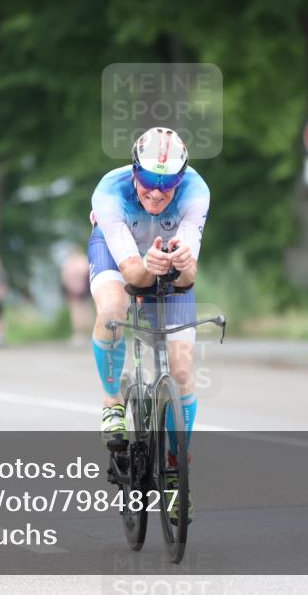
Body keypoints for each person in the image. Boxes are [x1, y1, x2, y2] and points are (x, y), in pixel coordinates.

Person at [87, 126, 209, 524]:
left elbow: (187, 279)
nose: (157, 193)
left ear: (183, 178)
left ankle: (176, 471)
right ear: (134, 172)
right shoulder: (109, 192)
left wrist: (179, 270)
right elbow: (132, 276)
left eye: (168, 184)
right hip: (119, 252)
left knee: (182, 363)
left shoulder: (196, 192)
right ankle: (112, 402)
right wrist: (146, 269)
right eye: (149, 182)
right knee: (112, 311)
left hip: (168, 259)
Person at [60, 250, 92, 344]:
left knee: (77, 313)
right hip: (85, 290)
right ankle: (89, 334)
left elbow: (64, 279)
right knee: (86, 311)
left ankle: (80, 335)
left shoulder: (68, 264)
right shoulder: (84, 262)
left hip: (73, 291)